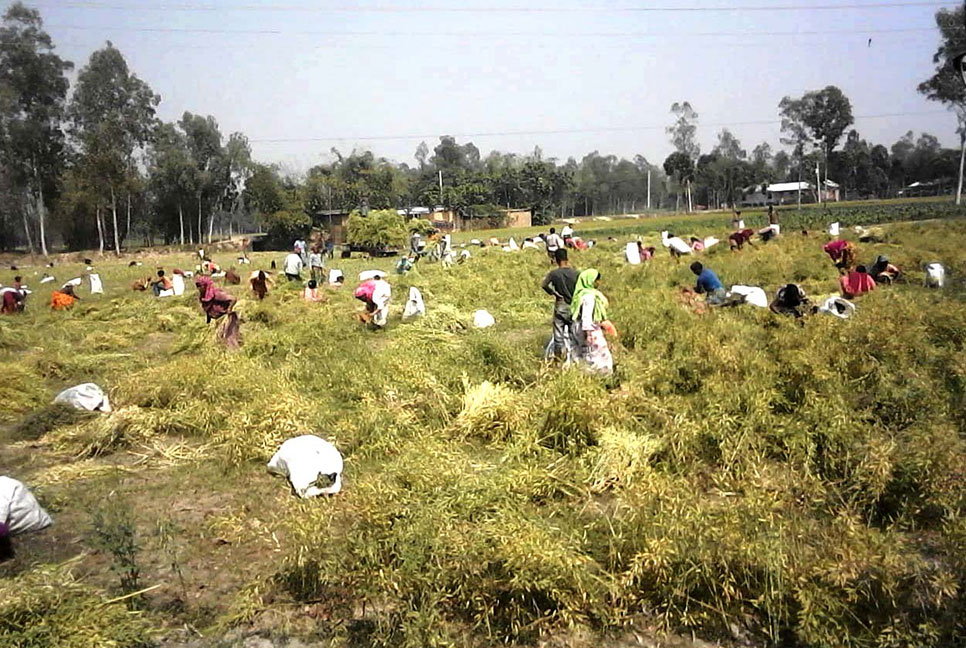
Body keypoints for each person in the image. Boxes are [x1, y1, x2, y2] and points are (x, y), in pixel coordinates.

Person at [570, 269, 615, 375]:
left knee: (583, 353)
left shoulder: (580, 294)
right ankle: (601, 376)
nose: (598, 283)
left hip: (578, 327)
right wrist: (589, 333)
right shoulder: (589, 296)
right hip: (588, 329)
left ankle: (582, 375)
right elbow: (586, 316)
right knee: (600, 354)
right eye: (596, 280)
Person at [541, 248, 580, 361]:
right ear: (567, 258)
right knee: (574, 334)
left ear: (556, 260)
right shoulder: (576, 273)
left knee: (558, 336)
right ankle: (575, 359)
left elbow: (544, 285)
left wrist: (554, 293)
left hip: (560, 306)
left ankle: (559, 359)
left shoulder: (554, 274)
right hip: (574, 306)